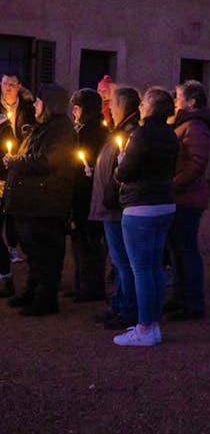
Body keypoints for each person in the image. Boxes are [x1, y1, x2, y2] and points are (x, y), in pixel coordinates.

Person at [2, 83, 76, 316]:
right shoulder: (42, 128)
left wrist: (15, 161)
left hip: (46, 204)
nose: (34, 105)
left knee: (46, 254)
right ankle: (32, 292)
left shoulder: (61, 130)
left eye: (38, 101)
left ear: (50, 104)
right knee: (34, 253)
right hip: (33, 203)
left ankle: (45, 299)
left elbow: (47, 161)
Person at [113, 87, 178, 347]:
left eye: (143, 103)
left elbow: (126, 172)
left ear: (151, 107)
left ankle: (145, 327)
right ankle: (153, 323)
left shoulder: (142, 134)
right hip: (164, 203)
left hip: (140, 206)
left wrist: (120, 164)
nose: (139, 107)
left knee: (141, 269)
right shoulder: (171, 135)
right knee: (154, 267)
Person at [165, 80, 210, 321]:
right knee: (177, 250)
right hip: (181, 196)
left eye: (179, 98)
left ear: (192, 102)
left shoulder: (194, 126)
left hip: (186, 198)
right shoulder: (185, 125)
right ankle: (180, 297)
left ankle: (193, 302)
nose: (175, 102)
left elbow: (197, 163)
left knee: (186, 250)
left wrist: (173, 184)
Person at [89, 86, 140, 330]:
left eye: (114, 104)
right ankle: (119, 305)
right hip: (110, 205)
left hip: (116, 207)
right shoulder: (120, 130)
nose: (109, 107)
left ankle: (128, 309)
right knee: (119, 261)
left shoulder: (130, 133)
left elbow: (124, 170)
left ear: (124, 106)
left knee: (123, 261)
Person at [70, 88, 108, 302]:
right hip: (84, 194)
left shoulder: (90, 132)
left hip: (87, 195)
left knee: (88, 242)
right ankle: (82, 284)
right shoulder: (90, 129)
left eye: (75, 108)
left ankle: (90, 287)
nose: (73, 113)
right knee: (83, 241)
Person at [0, 72, 35, 297]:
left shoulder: (29, 109)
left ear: (19, 86)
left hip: (19, 174)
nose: (8, 88)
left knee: (18, 222)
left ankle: (12, 273)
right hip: (1, 171)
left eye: (12, 84)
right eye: (4, 84)